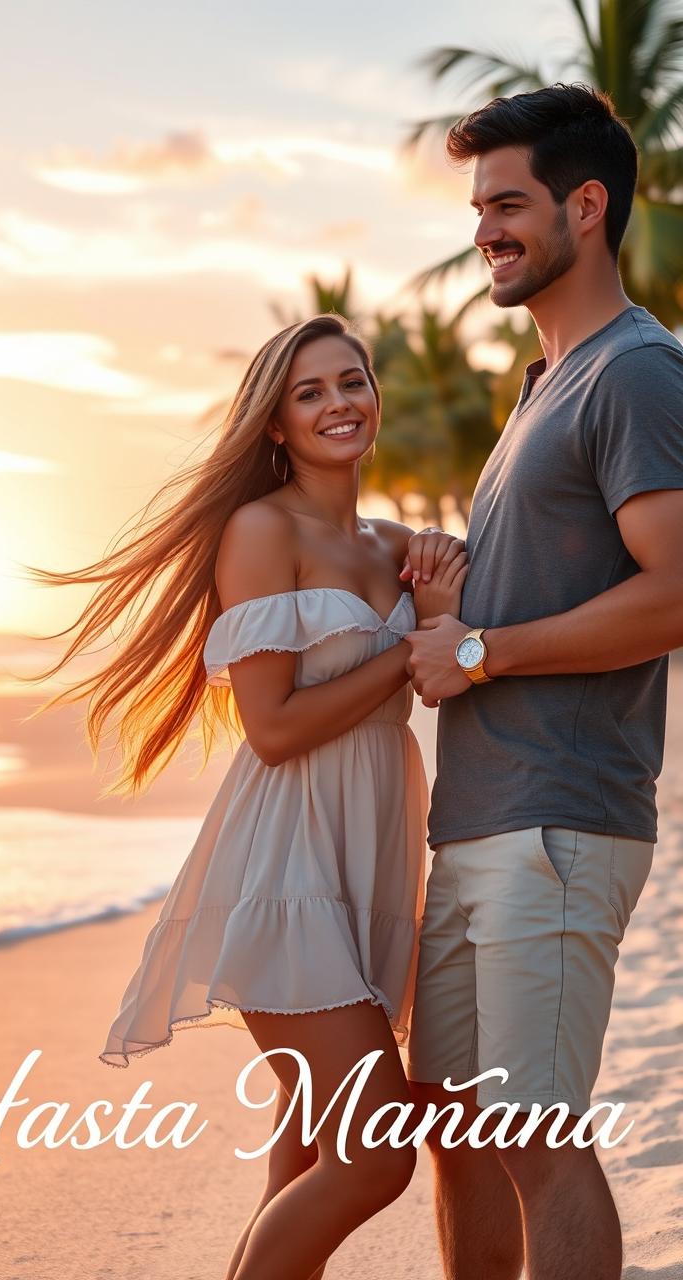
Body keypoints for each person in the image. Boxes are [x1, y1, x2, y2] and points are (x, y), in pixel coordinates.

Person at [24, 312, 467, 1280]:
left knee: (306, 1149)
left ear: (375, 394)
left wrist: (439, 610)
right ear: (274, 424)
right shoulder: (259, 530)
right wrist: (408, 644)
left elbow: (451, 671)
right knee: (374, 1153)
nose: (337, 403)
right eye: (308, 392)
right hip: (288, 860)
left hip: (369, 854)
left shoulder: (395, 542)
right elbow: (270, 725)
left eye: (350, 381)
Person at [405, 84, 683, 1280]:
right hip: (477, 817)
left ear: (586, 204)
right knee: (459, 1136)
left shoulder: (636, 371)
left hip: (558, 819)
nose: (485, 232)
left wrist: (481, 650)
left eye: (508, 204)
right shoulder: (540, 387)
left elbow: (676, 592)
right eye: (476, 208)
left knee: (534, 1136)